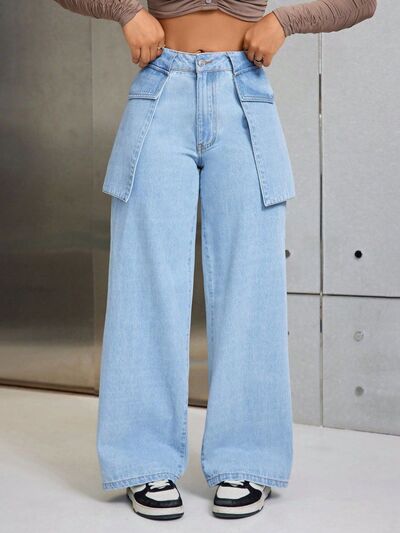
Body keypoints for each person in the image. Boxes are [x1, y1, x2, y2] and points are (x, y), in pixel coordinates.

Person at [53, 0, 377, 520]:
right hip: (160, 89)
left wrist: (283, 21)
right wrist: (126, 11)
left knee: (251, 283)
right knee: (145, 281)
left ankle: (246, 458)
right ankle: (143, 460)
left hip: (244, 95)